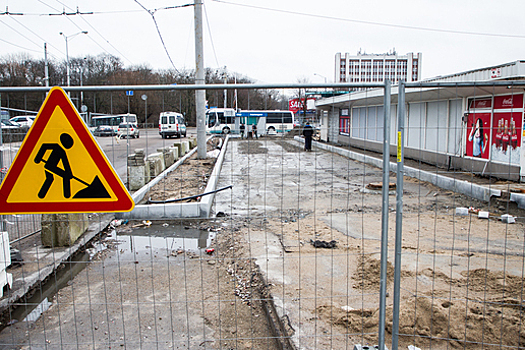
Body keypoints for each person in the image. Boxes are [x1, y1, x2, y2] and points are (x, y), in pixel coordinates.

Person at [34, 133, 74, 198]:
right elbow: (44, 146)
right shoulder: (56, 146)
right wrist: (38, 158)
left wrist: (69, 173)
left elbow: (66, 164)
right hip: (49, 166)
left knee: (51, 178)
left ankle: (41, 195)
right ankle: (67, 195)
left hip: (51, 167)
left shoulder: (62, 151)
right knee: (55, 178)